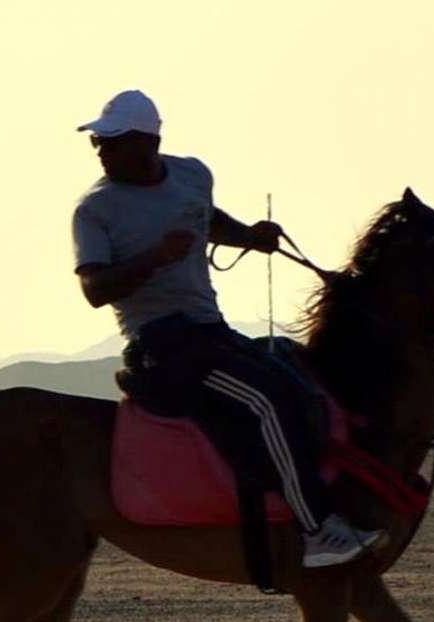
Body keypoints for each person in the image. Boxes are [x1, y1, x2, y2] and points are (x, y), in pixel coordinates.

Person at [71, 89, 382, 568]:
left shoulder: (193, 175)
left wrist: (249, 237)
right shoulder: (95, 209)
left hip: (211, 331)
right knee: (265, 401)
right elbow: (94, 289)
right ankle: (317, 528)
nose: (101, 151)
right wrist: (156, 258)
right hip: (160, 344)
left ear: (149, 142)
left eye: (111, 141)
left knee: (296, 380)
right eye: (99, 141)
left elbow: (206, 219)